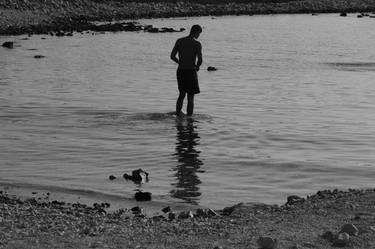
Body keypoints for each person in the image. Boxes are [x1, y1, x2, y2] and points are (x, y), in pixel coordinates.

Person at [170, 24, 203, 116]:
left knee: (181, 95)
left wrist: (180, 62)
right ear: (196, 32)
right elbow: (200, 60)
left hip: (181, 70)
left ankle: (177, 114)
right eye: (199, 33)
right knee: (191, 97)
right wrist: (197, 66)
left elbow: (172, 56)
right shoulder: (197, 44)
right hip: (191, 71)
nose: (198, 36)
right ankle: (189, 119)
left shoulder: (179, 41)